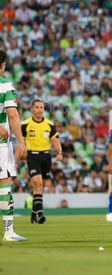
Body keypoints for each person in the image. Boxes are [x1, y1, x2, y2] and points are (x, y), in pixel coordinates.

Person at [21, 99, 63, 224]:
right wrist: (19, 157)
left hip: (46, 157)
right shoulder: (26, 124)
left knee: (41, 186)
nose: (39, 109)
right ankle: (40, 214)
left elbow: (55, 139)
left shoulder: (49, 124)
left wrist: (59, 152)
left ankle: (34, 213)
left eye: (41, 107)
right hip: (32, 156)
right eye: (37, 107)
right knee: (38, 183)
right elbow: (21, 141)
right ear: (32, 109)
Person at [0, 49, 27, 241]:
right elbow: (13, 114)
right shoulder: (5, 85)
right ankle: (8, 232)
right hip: (1, 144)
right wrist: (21, 141)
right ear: (3, 65)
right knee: (4, 184)